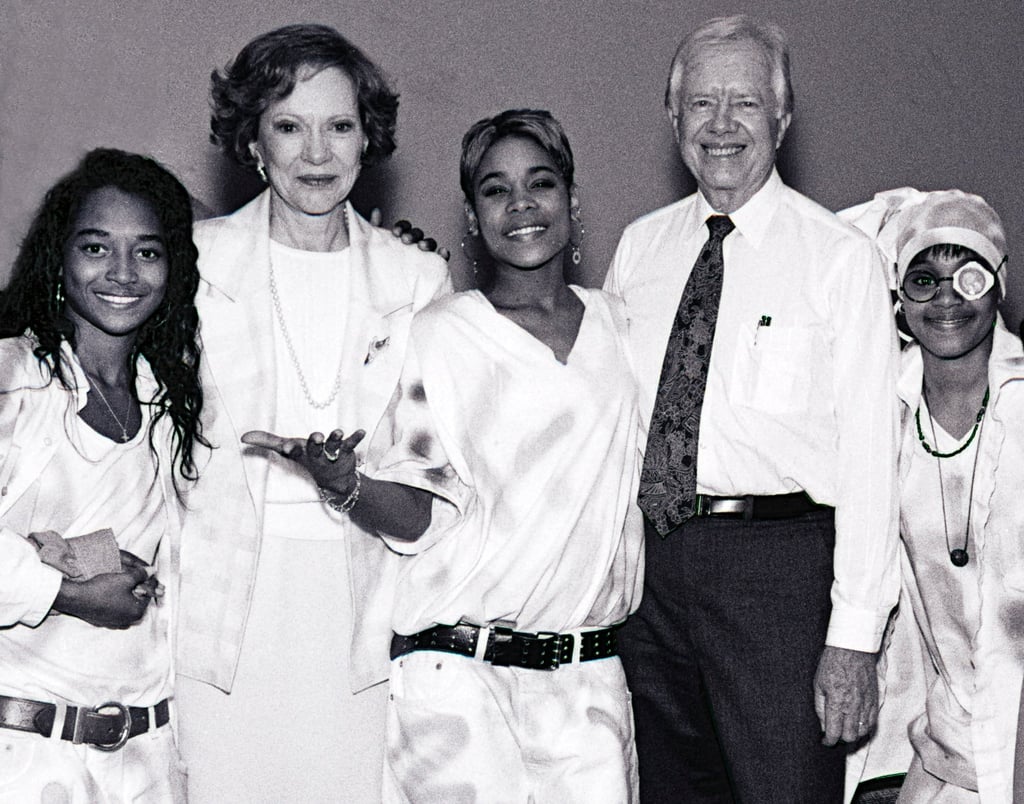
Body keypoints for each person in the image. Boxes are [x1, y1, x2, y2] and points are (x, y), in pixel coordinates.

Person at [244, 108, 644, 803]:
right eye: (495, 190)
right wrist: (347, 483)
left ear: (572, 201)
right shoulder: (437, 336)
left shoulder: (625, 330)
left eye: (540, 183)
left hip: (589, 692)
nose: (521, 204)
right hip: (458, 685)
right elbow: (418, 518)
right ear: (473, 215)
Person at [603, 14, 901, 803]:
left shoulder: (839, 259)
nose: (722, 125)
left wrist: (855, 637)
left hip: (779, 574)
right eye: (701, 105)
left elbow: (874, 458)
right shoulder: (641, 249)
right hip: (651, 572)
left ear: (783, 117)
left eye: (745, 103)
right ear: (674, 121)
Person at [170, 23, 452, 804]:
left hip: (360, 614)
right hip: (227, 614)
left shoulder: (418, 276)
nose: (317, 154)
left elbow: (434, 479)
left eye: (339, 126)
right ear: (253, 142)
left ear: (369, 139)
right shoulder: (194, 264)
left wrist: (349, 482)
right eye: (289, 127)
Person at [0, 148, 205, 802]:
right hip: (30, 760)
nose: (121, 272)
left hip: (150, 763)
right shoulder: (15, 377)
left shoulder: (175, 401)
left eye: (147, 251)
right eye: (95, 247)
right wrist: (65, 591)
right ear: (59, 258)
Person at [842, 189, 1022, 803]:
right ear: (898, 298)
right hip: (942, 752)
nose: (947, 299)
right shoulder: (880, 419)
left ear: (998, 287)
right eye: (924, 279)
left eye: (968, 276)